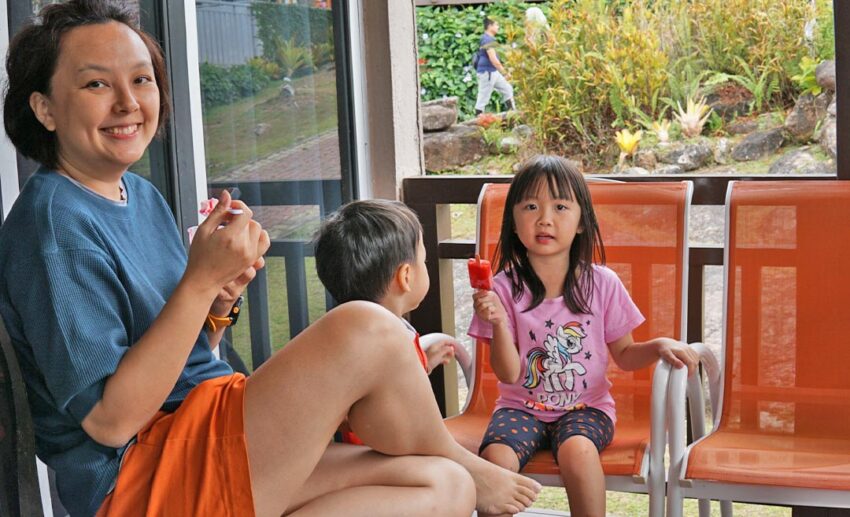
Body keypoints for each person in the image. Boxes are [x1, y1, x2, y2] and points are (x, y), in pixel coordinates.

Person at [0, 1, 540, 516]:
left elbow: (182, 358)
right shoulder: (53, 224)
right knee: (366, 326)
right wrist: (197, 282)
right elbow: (111, 421)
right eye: (96, 83)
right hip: (143, 478)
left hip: (205, 429)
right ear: (44, 108)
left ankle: (455, 462)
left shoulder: (138, 196)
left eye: (140, 80)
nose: (128, 103)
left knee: (442, 488)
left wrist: (216, 302)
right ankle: (457, 452)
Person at [469, 155, 699, 517]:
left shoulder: (602, 284)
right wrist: (497, 322)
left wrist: (657, 346)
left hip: (586, 409)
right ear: (513, 222)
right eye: (530, 206)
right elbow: (509, 375)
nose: (544, 218)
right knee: (495, 459)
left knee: (577, 450)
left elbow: (624, 355)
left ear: (581, 222)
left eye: (560, 206)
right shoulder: (501, 289)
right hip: (518, 409)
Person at [313, 199, 457, 374]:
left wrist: (423, 364)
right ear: (405, 277)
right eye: (423, 260)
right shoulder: (393, 346)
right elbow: (402, 390)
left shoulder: (347, 339)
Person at [475, 17, 515, 116]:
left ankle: (512, 115)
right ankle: (478, 120)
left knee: (507, 89)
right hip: (487, 72)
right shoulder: (487, 39)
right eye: (496, 25)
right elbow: (493, 59)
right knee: (483, 97)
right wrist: (504, 72)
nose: (498, 27)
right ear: (490, 26)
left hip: (493, 72)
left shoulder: (489, 39)